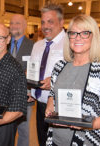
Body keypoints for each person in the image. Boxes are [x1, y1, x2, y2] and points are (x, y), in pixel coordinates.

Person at [45, 15, 100, 146]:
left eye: (85, 33)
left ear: (94, 37)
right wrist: (50, 105)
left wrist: (87, 124)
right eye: (73, 33)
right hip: (55, 140)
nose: (78, 38)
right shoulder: (59, 67)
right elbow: (53, 94)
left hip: (88, 141)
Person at [29, 3, 65, 146]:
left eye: (50, 21)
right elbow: (34, 72)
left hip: (59, 105)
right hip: (40, 104)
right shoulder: (37, 45)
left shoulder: (71, 43)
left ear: (61, 22)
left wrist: (56, 81)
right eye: (43, 22)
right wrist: (31, 90)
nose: (45, 26)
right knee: (42, 141)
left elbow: (78, 75)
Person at [9, 14, 34, 146]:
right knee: (7, 130)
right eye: (11, 23)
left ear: (24, 26)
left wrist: (31, 91)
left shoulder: (33, 46)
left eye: (17, 23)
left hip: (25, 96)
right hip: (5, 95)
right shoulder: (4, 43)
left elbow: (36, 71)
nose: (13, 26)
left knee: (23, 131)